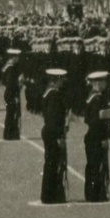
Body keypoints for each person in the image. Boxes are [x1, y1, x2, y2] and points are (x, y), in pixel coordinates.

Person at [40, 68, 69, 204]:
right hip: (53, 133)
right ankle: (50, 195)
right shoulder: (54, 96)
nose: (62, 82)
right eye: (61, 79)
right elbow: (54, 119)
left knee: (51, 163)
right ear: (55, 80)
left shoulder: (48, 93)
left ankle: (49, 194)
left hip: (49, 132)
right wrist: (59, 137)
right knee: (53, 164)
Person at [83, 71, 110, 202]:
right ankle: (95, 194)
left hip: (92, 136)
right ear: (98, 83)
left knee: (93, 165)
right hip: (96, 136)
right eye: (104, 81)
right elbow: (97, 122)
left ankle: (92, 193)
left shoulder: (93, 97)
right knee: (97, 165)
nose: (105, 84)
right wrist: (104, 138)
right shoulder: (97, 100)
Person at [2, 49, 23, 139]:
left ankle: (9, 133)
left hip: (8, 92)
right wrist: (19, 84)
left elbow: (4, 81)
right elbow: (12, 83)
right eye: (17, 57)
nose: (18, 59)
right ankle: (10, 134)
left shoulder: (7, 66)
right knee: (12, 113)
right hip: (12, 93)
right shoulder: (11, 69)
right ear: (14, 57)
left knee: (10, 113)